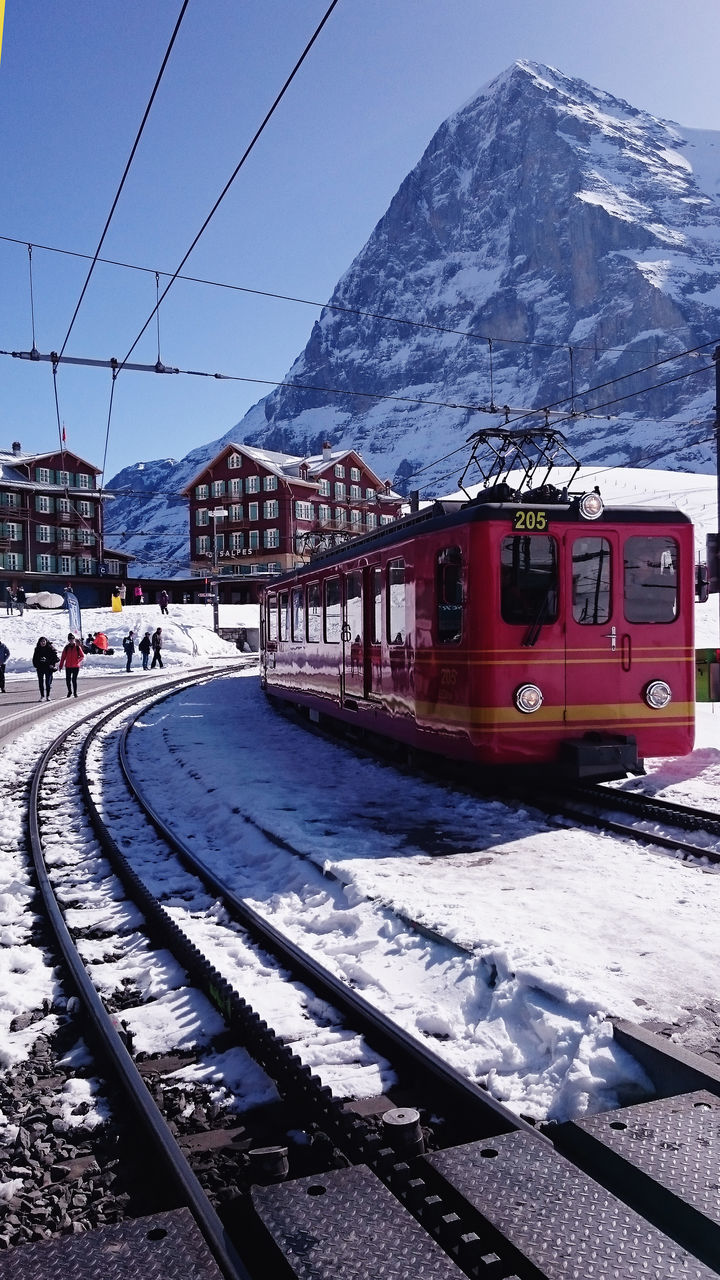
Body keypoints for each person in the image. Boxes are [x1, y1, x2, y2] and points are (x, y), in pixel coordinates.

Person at [32, 636, 59, 700]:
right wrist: (37, 665)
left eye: (44, 641)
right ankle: (42, 696)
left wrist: (52, 664)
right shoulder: (37, 649)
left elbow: (55, 658)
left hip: (48, 668)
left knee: (48, 683)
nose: (43, 643)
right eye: (41, 641)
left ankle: (48, 696)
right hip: (40, 668)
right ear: (39, 642)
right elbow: (34, 659)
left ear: (46, 642)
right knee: (40, 682)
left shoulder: (50, 648)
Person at [59, 633, 85, 698]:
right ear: (68, 640)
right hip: (68, 666)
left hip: (75, 667)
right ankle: (69, 691)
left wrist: (77, 661)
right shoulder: (66, 647)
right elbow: (63, 657)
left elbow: (82, 656)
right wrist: (60, 666)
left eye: (72, 639)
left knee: (74, 680)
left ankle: (75, 692)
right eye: (70, 639)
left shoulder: (77, 647)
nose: (71, 640)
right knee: (68, 680)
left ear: (74, 639)